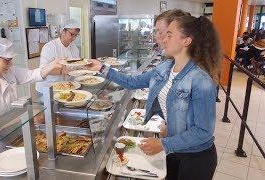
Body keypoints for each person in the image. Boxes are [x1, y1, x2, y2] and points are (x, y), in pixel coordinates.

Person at [87, 14, 221, 180]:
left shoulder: (201, 80)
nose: (163, 39)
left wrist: (163, 144)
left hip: (196, 158)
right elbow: (132, 82)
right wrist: (102, 68)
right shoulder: (165, 68)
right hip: (174, 150)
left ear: (186, 41)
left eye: (169, 35)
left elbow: (203, 132)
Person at [0, 35, 65, 127]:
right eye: (6, 61)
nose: (10, 65)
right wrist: (26, 117)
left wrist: (50, 66)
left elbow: (31, 75)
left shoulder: (7, 72)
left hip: (10, 129)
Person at [35, 19, 80, 96]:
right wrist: (63, 71)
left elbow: (76, 66)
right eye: (72, 34)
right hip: (47, 89)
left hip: (65, 87)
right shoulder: (49, 47)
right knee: (49, 108)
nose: (74, 38)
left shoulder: (74, 48)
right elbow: (44, 70)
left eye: (76, 35)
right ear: (63, 31)